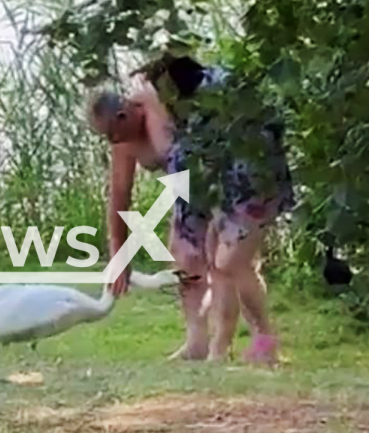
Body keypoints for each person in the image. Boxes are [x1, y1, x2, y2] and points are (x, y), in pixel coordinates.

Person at [89, 54, 294, 364]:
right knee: (187, 256)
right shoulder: (124, 139)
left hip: (230, 176)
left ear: (124, 112)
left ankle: (259, 342)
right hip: (193, 185)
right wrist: (119, 255)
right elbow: (119, 196)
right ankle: (202, 344)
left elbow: (179, 151)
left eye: (113, 132)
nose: (112, 141)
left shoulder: (158, 104)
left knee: (228, 261)